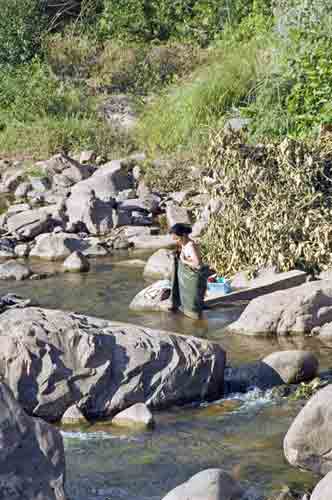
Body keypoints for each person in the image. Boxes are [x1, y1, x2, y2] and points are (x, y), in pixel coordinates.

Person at [170, 223, 209, 320]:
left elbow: (198, 264)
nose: (176, 242)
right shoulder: (184, 244)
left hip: (195, 277)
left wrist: (184, 261)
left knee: (194, 304)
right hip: (189, 276)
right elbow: (184, 255)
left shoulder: (190, 246)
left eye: (177, 239)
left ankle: (197, 320)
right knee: (187, 300)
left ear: (183, 235)